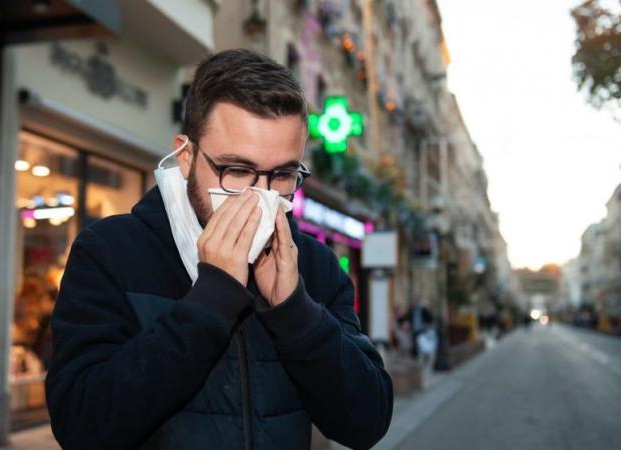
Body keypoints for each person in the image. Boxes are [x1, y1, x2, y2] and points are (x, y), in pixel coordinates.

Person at [46, 49, 393, 450]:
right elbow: (81, 426)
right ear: (186, 156)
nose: (261, 195)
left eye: (282, 174)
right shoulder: (109, 253)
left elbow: (367, 423)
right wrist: (210, 303)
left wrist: (296, 312)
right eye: (238, 171)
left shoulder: (312, 264)